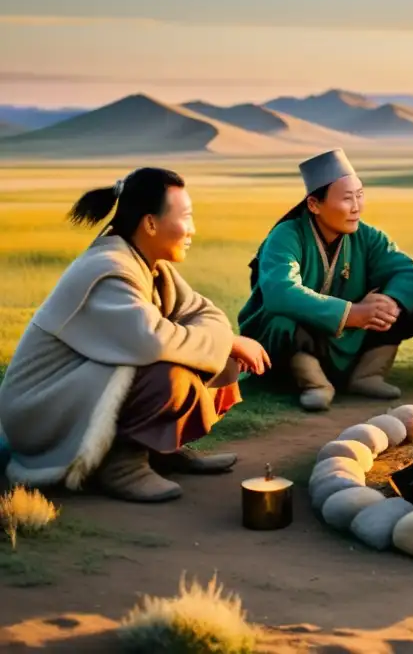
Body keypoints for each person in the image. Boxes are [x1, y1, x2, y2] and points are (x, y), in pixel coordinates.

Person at [0, 168, 270, 503]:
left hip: (76, 392)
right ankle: (121, 465)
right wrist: (227, 339)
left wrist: (225, 340)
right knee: (167, 372)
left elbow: (206, 313)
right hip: (39, 411)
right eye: (185, 217)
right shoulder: (108, 269)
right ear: (151, 224)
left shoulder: (150, 265)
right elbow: (152, 340)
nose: (193, 230)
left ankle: (160, 449)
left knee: (209, 353)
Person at [238, 149, 413, 410]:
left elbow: (409, 273)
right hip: (300, 336)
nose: (356, 207)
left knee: (406, 299)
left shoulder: (368, 236)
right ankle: (314, 383)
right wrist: (351, 313)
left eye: (360, 196)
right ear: (314, 205)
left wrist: (388, 302)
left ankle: (367, 374)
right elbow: (280, 292)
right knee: (284, 318)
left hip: (348, 335)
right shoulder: (286, 235)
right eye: (346, 199)